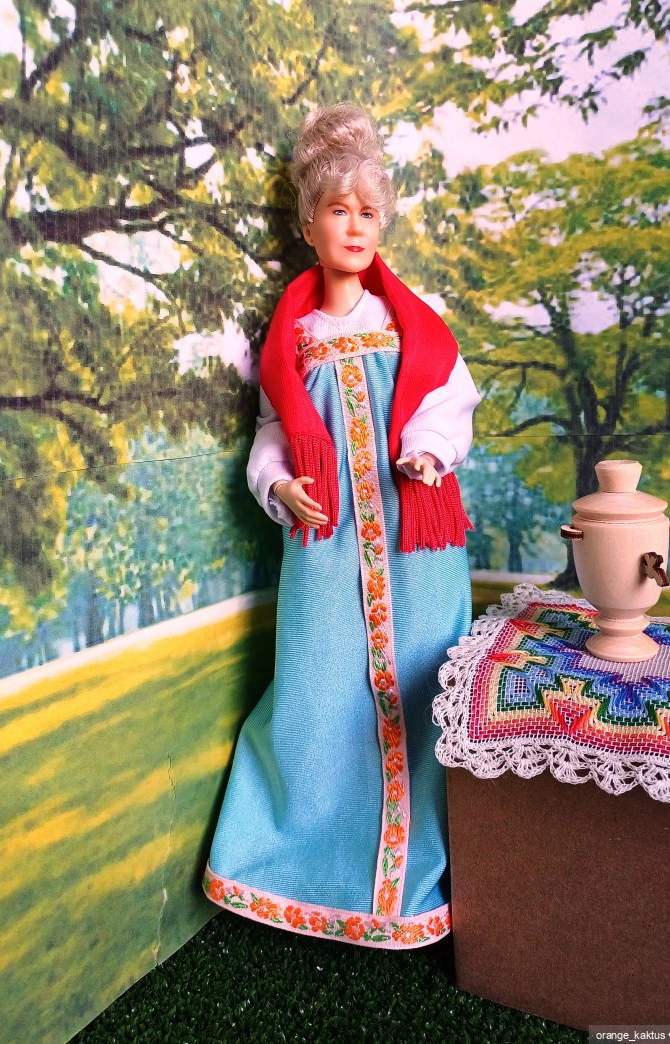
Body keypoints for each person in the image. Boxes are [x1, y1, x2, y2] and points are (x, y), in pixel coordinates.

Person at [204, 104, 480, 948]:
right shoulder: (291, 337)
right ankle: (295, 867)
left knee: (421, 690)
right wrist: (281, 485)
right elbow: (270, 434)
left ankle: (413, 878)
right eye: (337, 209)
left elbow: (449, 401)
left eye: (368, 211)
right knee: (315, 693)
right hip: (326, 545)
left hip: (415, 545)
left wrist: (430, 452)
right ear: (309, 224)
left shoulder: (410, 322)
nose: (355, 226)